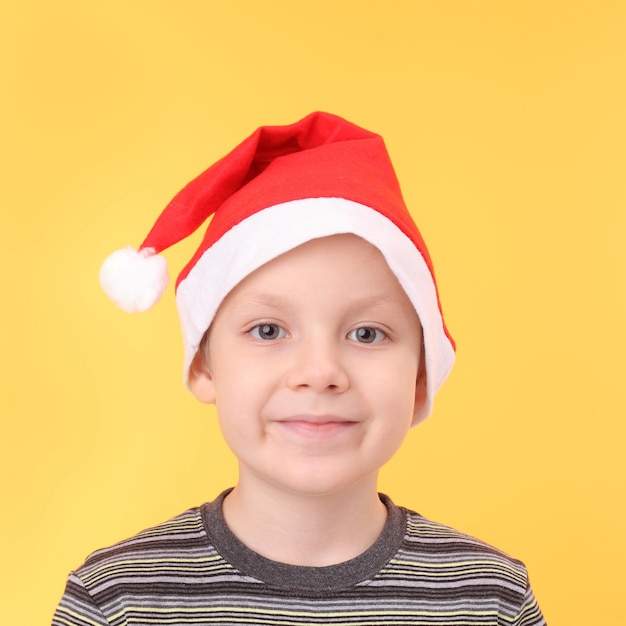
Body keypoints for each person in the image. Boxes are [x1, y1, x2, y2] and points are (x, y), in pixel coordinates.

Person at [53, 112, 546, 625]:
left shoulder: (489, 599)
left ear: (422, 377)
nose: (319, 372)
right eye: (268, 331)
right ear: (203, 365)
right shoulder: (116, 601)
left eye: (367, 334)